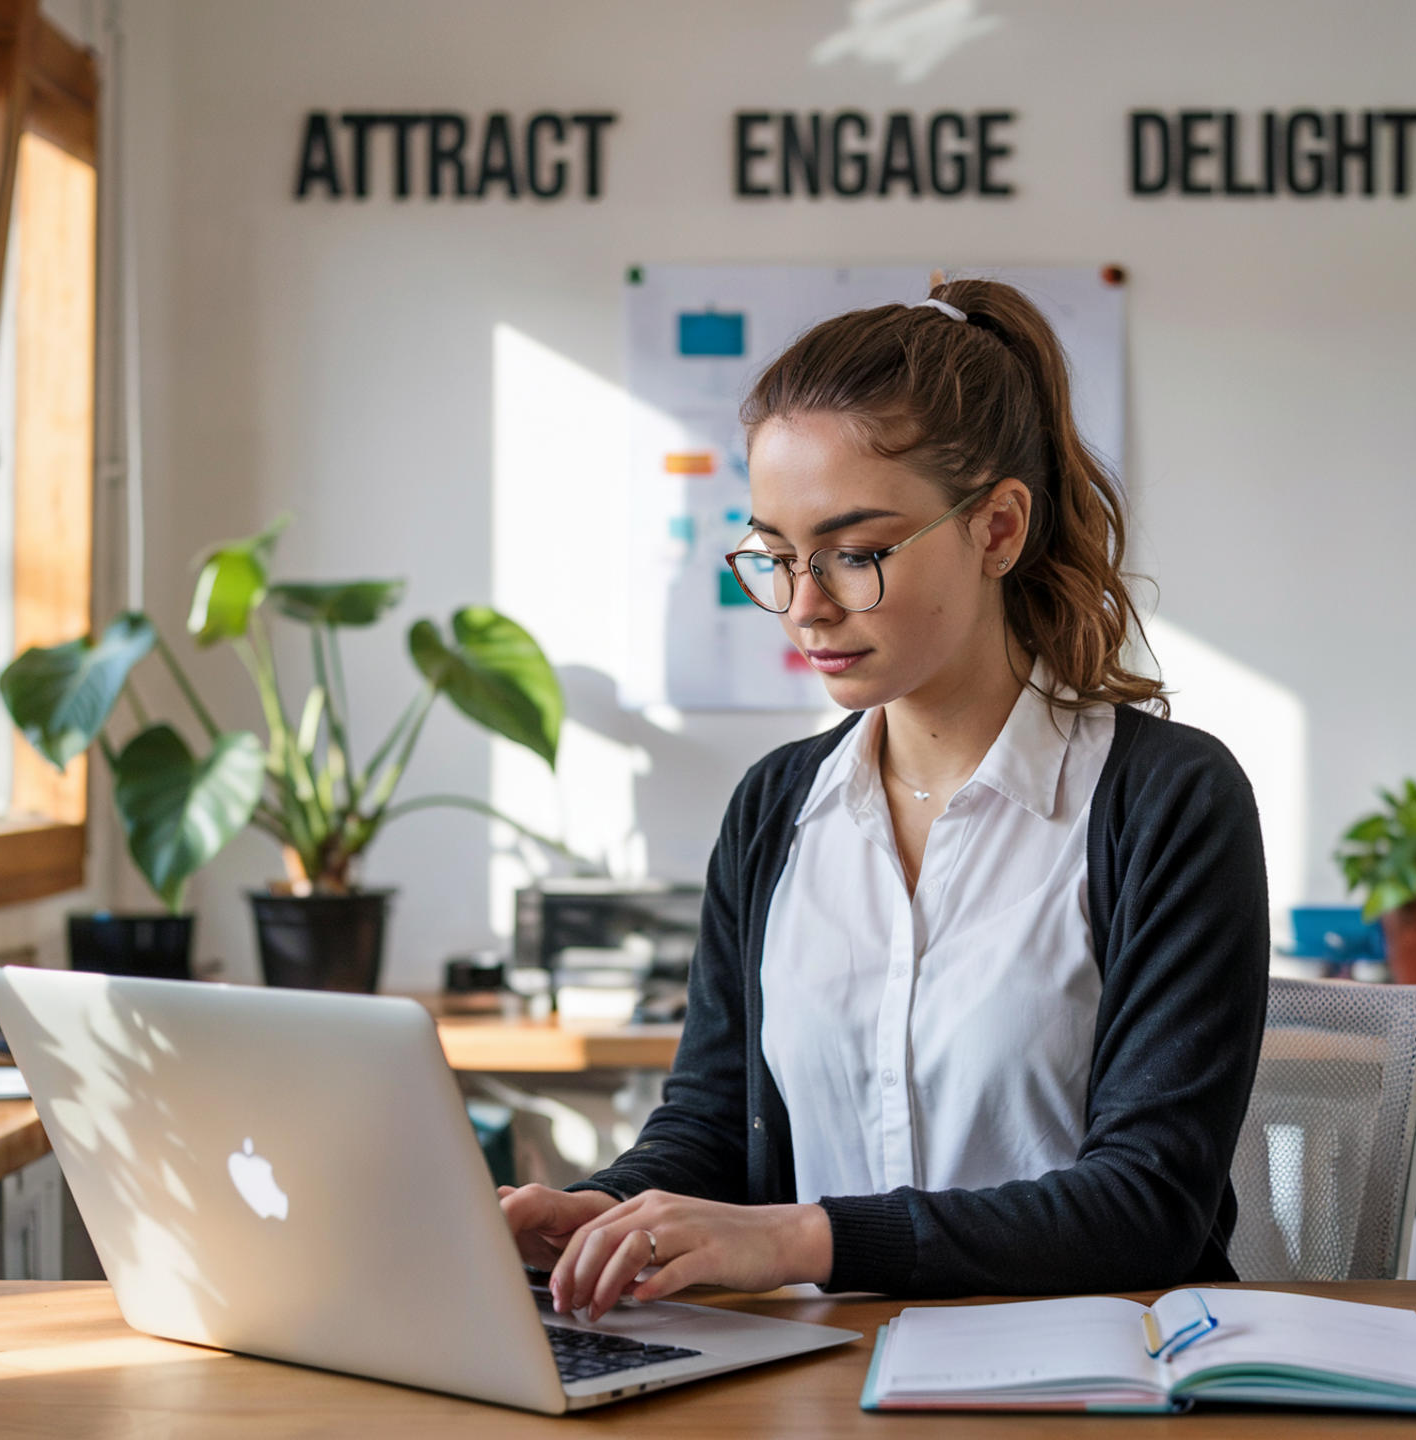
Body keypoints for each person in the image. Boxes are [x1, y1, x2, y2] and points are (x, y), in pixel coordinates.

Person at [500, 277, 1269, 1319]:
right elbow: (714, 1130)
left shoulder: (1167, 802)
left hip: (1096, 1386)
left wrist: (801, 1237)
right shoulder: (777, 808)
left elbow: (1148, 1203)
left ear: (997, 529)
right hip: (819, 1381)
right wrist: (597, 1214)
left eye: (854, 553)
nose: (804, 607)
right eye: (775, 556)